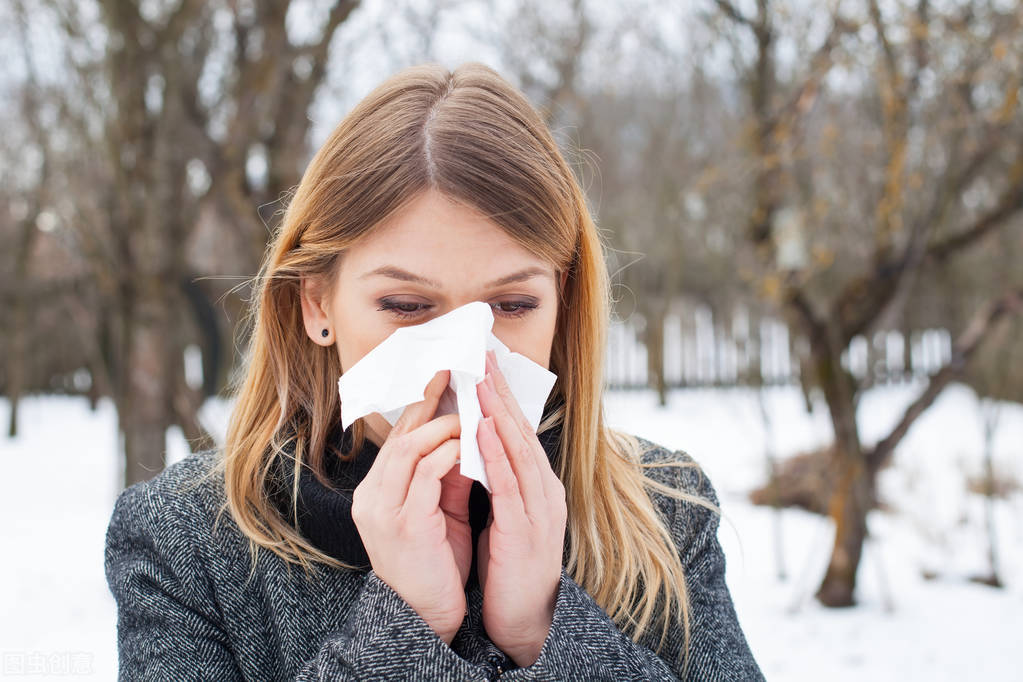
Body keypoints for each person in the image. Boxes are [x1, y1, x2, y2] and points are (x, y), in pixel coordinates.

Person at [104, 62, 765, 681]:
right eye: (406, 306)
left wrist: (545, 631)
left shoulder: (664, 512)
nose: (461, 356)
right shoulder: (188, 540)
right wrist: (402, 632)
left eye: (511, 305)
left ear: (562, 305)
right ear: (316, 304)